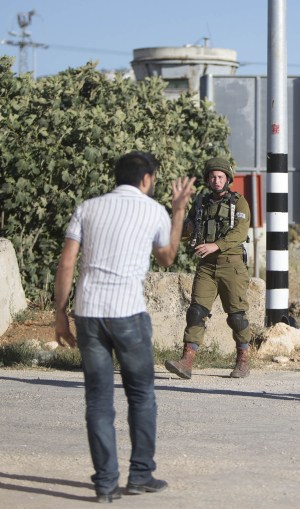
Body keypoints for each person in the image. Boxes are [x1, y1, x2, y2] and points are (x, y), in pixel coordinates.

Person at [54, 152, 195, 502]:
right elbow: (167, 257)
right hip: (128, 313)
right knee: (141, 395)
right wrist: (178, 211)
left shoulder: (88, 208)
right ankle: (140, 475)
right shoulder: (154, 211)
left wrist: (60, 313)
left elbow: (67, 262)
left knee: (98, 400)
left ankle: (105, 484)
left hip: (89, 313)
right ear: (146, 179)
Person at [165, 157, 252, 379]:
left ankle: (243, 359)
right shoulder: (201, 203)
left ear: (227, 179)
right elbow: (186, 230)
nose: (216, 180)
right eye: (212, 177)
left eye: (220, 177)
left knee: (237, 316)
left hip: (231, 265)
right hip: (206, 266)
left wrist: (216, 245)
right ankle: (187, 360)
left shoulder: (239, 203)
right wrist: (178, 212)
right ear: (207, 179)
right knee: (196, 312)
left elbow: (240, 232)